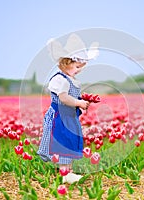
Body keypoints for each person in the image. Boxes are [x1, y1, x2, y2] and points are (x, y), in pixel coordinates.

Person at [37, 33, 99, 184]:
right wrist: (78, 103)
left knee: (70, 143)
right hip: (60, 117)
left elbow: (72, 98)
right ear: (65, 63)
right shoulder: (60, 79)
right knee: (63, 144)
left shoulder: (71, 79)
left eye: (81, 68)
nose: (79, 70)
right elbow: (64, 98)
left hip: (69, 117)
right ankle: (65, 174)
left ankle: (67, 172)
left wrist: (81, 103)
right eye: (77, 67)